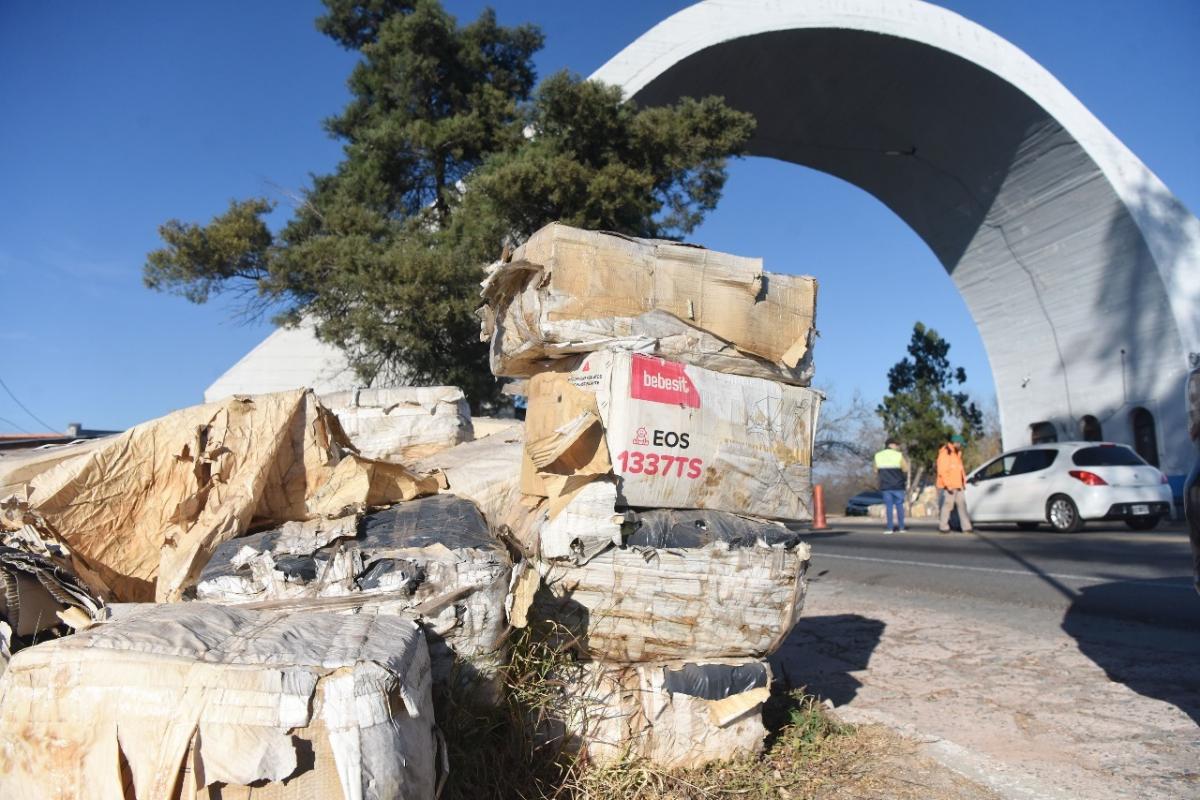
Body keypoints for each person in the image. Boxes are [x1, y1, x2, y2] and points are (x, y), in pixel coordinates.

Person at [937, 434, 973, 533]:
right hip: (950, 485)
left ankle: (966, 527)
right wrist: (948, 485)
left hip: (959, 485)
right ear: (955, 443)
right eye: (960, 443)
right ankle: (943, 526)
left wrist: (963, 482)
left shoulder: (957, 453)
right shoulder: (945, 453)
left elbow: (960, 470)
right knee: (948, 505)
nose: (961, 445)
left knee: (962, 505)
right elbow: (942, 471)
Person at [873, 437, 909, 534]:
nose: (897, 446)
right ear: (891, 445)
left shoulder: (878, 455)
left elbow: (875, 470)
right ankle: (901, 528)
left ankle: (889, 528)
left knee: (888, 507)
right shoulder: (898, 455)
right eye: (896, 445)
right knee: (899, 506)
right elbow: (906, 469)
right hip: (898, 485)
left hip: (885, 486)